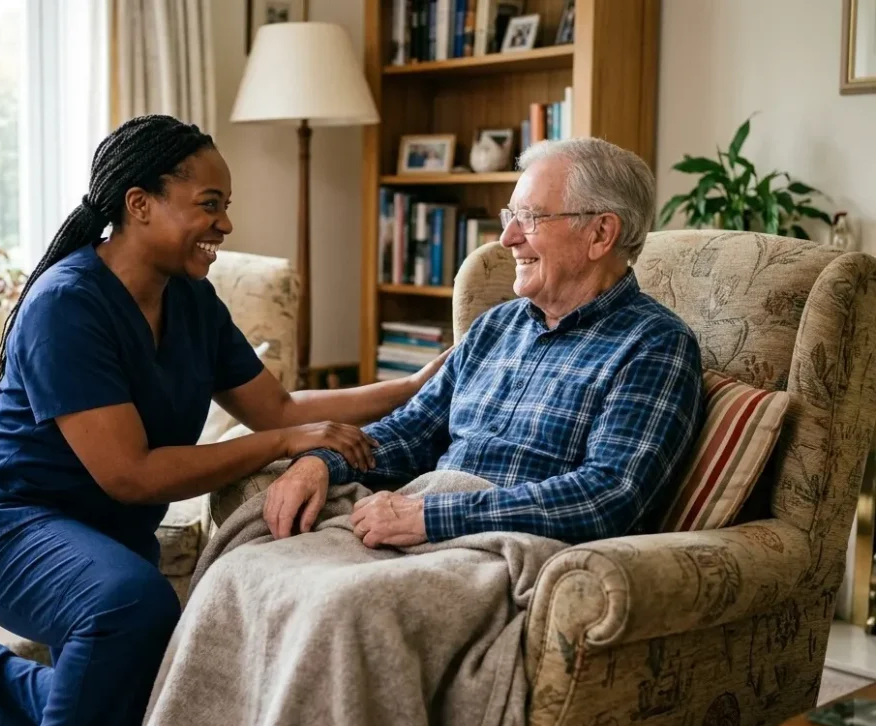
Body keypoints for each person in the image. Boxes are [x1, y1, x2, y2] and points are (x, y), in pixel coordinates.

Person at [0, 115, 446, 726]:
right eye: (209, 205)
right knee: (131, 609)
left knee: (152, 707)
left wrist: (415, 387)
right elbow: (130, 473)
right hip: (7, 526)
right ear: (139, 205)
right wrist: (280, 445)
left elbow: (276, 408)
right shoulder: (68, 304)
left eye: (226, 206)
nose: (225, 224)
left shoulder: (193, 300)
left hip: (108, 538)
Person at [264, 136, 706, 549]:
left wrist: (429, 517)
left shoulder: (654, 345)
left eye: (530, 218)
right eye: (509, 216)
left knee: (327, 605)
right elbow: (410, 431)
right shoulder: (495, 327)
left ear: (601, 234)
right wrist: (321, 461)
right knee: (257, 568)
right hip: (420, 525)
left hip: (502, 546)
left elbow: (605, 497)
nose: (507, 238)